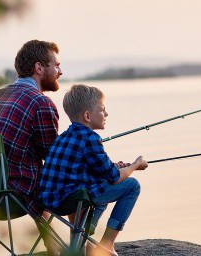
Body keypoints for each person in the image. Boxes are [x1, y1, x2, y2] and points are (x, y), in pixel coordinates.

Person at [0, 40, 62, 253]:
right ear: (39, 68)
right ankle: (74, 248)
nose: (60, 71)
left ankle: (55, 248)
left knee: (36, 178)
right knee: (74, 181)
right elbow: (53, 159)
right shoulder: (41, 103)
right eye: (56, 65)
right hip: (8, 196)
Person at [39, 84, 149, 255]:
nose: (106, 114)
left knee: (99, 183)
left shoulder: (62, 137)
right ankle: (106, 244)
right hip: (72, 200)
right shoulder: (90, 138)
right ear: (87, 116)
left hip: (50, 201)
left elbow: (94, 167)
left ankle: (83, 240)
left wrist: (115, 166)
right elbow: (113, 177)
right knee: (132, 185)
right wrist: (135, 165)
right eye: (102, 110)